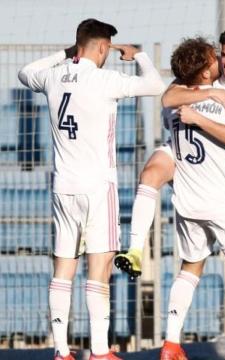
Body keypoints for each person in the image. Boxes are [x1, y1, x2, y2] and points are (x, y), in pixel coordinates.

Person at [18, 18, 164, 360]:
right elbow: (155, 86)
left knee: (63, 267)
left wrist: (65, 53)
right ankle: (100, 351)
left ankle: (60, 350)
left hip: (63, 187)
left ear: (77, 45)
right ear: (102, 47)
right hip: (98, 187)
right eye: (107, 50)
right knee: (100, 265)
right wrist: (140, 56)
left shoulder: (53, 76)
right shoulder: (104, 79)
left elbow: (25, 72)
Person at [115, 25, 225, 304]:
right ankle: (134, 249)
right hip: (188, 152)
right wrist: (210, 94)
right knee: (151, 172)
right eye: (223, 55)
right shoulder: (204, 74)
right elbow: (169, 97)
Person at [157, 37, 225, 360]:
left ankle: (171, 344)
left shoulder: (174, 107)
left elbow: (169, 96)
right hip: (221, 202)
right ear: (205, 72)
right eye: (212, 58)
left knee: (189, 270)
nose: (220, 60)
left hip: (187, 203)